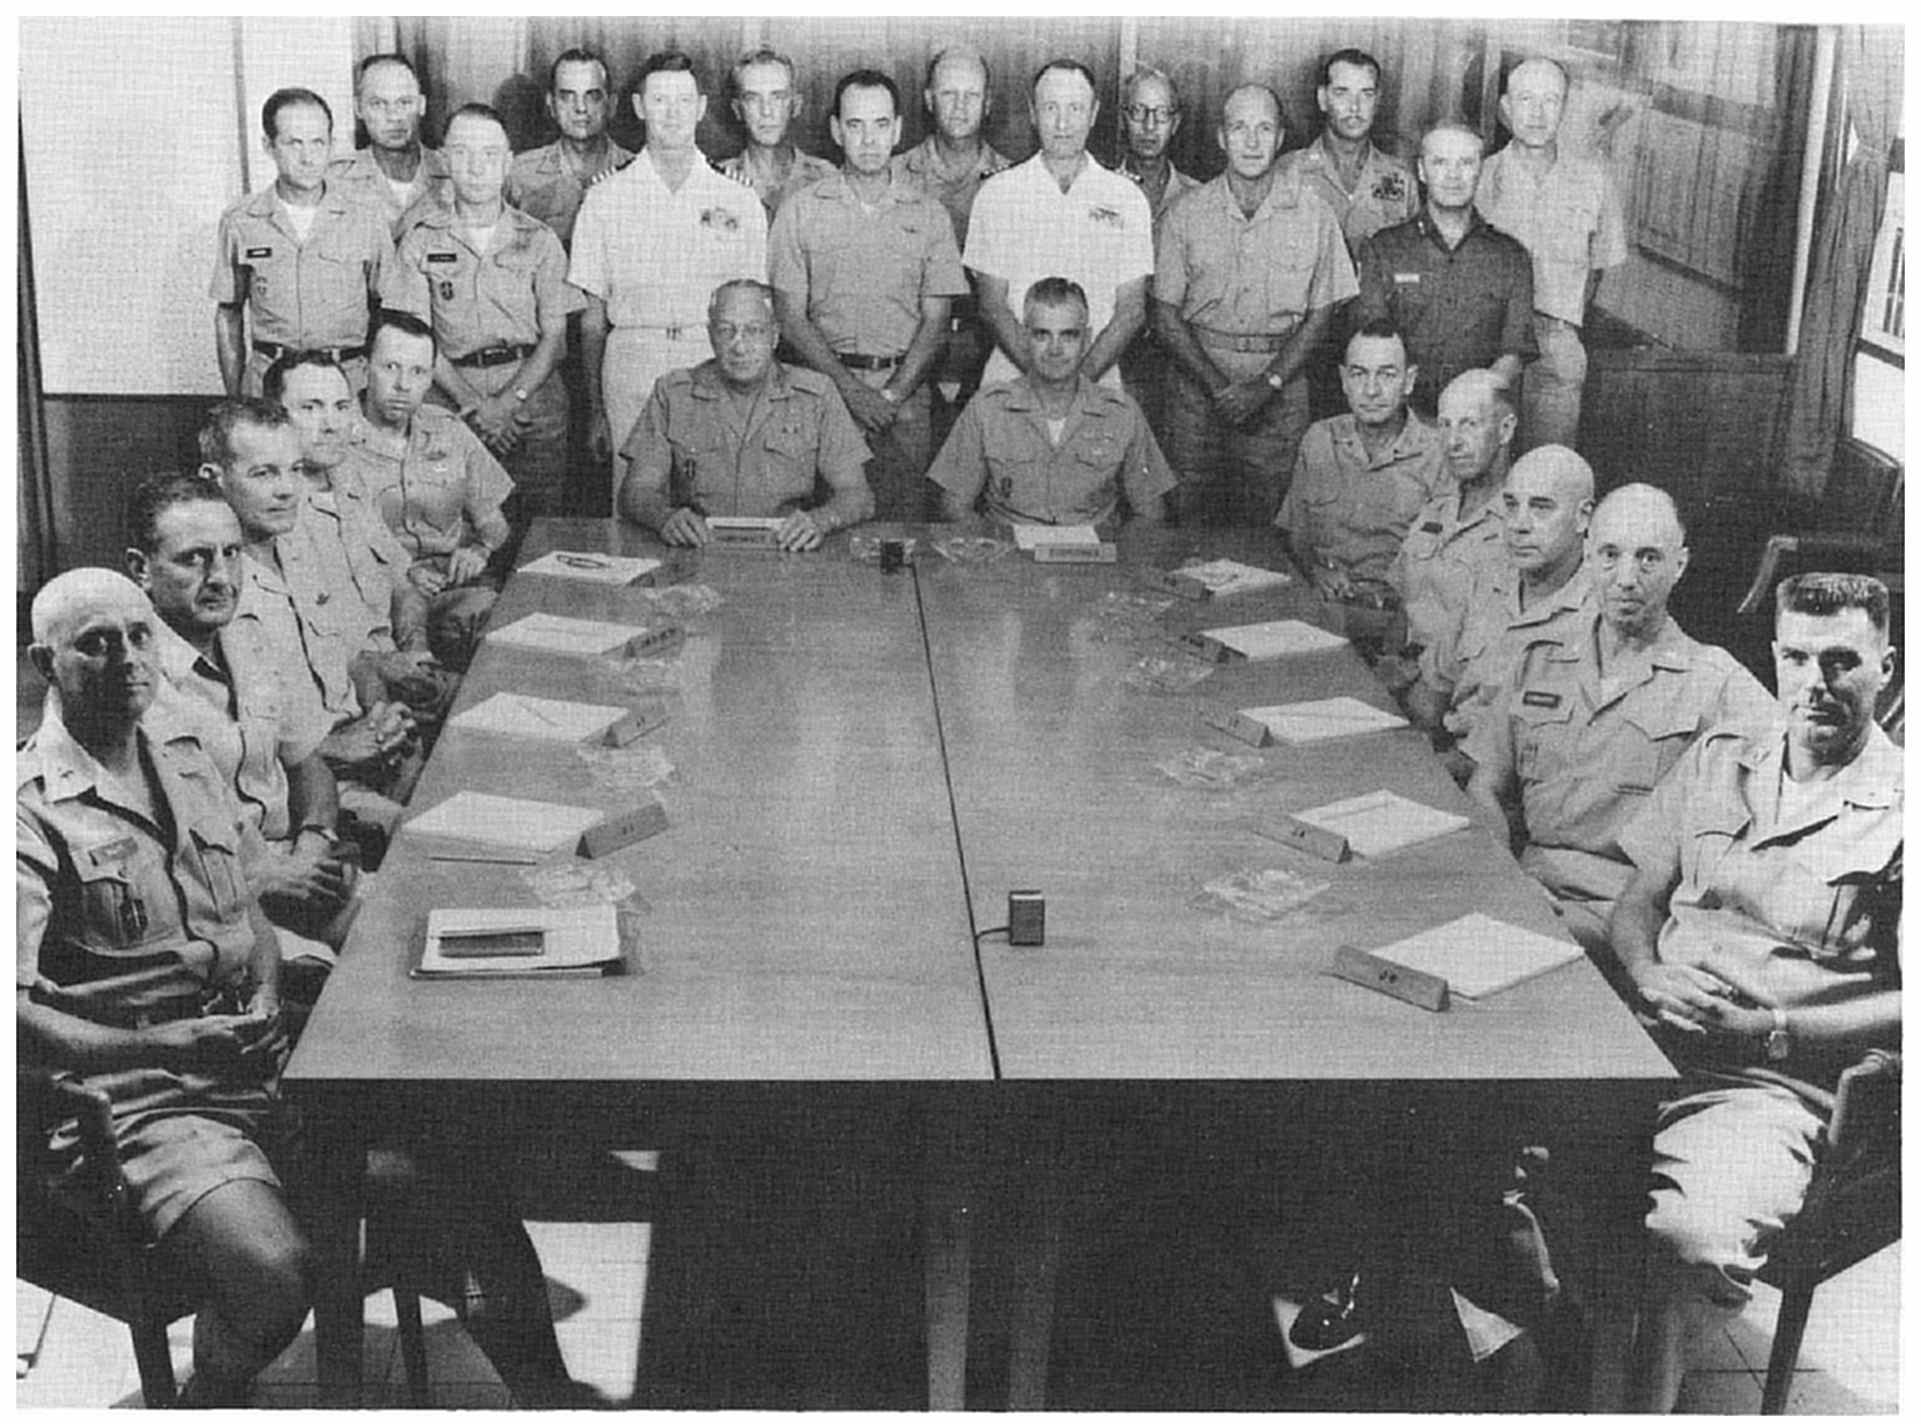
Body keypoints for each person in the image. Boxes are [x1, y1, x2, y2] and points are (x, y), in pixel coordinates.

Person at [17, 572, 590, 1410]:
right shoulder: (28, 811)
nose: (128, 659)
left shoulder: (183, 758)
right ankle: (211, 1395)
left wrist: (262, 987)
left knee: (461, 1175)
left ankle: (552, 1402)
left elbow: (244, 909)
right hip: (145, 1099)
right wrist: (161, 1044)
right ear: (46, 663)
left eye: (139, 636)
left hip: (260, 1050)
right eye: (95, 644)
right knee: (274, 1273)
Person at [1611, 572, 1900, 1413]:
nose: (1817, 683)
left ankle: (1638, 1403)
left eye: (1842, 661)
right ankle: (1570, 1357)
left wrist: (1766, 1025)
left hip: (1768, 1086)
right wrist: (1645, 971)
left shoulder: (1905, 809)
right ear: (1773, 658)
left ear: (1885, 668)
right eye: (1798, 659)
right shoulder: (1720, 756)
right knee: (1474, 1145)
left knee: (1691, 1237)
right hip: (1642, 1039)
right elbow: (1636, 902)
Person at [1465, 484, 1773, 956]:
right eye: (1610, 555)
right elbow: (1485, 784)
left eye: (1648, 558)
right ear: (1588, 555)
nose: (1626, 578)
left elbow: (1800, 774)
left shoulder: (1715, 682)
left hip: (1626, 916)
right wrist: (1502, 875)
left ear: (1679, 566)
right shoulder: (1539, 659)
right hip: (1524, 884)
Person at [124, 473, 355, 985]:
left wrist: (314, 840)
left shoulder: (250, 636)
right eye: (194, 559)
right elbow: (160, 855)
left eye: (231, 554)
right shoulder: (134, 681)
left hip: (298, 865)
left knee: (407, 921)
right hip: (221, 906)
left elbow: (307, 761)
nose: (221, 576)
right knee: (343, 985)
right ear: (141, 569)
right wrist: (262, 874)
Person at [199, 399, 420, 826]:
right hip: (309, 787)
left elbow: (355, 657)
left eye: (295, 469)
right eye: (264, 473)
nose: (287, 489)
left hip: (371, 747)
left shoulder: (301, 545)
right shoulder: (215, 592)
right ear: (214, 480)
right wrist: (338, 748)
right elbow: (236, 749)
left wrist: (380, 715)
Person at [570, 50, 770, 503]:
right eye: (660, 100)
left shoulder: (737, 198)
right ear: (639, 107)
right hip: (632, 366)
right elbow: (592, 320)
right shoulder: (604, 198)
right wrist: (596, 410)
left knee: (713, 502)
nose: (672, 113)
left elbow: (756, 311)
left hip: (712, 361)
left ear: (701, 107)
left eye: (683, 101)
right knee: (635, 503)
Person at [770, 69, 968, 522]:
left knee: (903, 532)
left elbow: (937, 321)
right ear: (837, 130)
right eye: (855, 125)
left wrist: (892, 396)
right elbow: (789, 316)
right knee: (824, 528)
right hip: (822, 395)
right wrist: (850, 392)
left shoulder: (930, 215)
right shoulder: (800, 210)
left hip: (906, 401)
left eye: (880, 124)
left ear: (897, 129)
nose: (869, 139)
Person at [1155, 84, 1357, 525]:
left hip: (1281, 391)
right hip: (1196, 389)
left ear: (1280, 137)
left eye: (1264, 129)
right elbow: (1164, 314)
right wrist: (1218, 387)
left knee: (1276, 525)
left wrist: (1268, 384)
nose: (1251, 141)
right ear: (1221, 137)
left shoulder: (1314, 213)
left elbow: (1322, 314)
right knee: (1184, 521)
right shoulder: (1185, 213)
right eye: (1239, 128)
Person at [387, 102, 581, 520]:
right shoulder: (420, 241)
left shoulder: (540, 240)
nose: (476, 168)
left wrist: (506, 405)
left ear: (508, 162)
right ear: (444, 159)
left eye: (490, 154)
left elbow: (556, 340)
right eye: (463, 153)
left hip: (531, 404)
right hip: (450, 405)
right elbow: (415, 339)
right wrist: (474, 406)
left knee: (538, 532)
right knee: (454, 532)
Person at [264, 351, 453, 721]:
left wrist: (416, 649)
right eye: (310, 408)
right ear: (275, 418)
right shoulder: (274, 513)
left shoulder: (347, 478)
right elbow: (301, 650)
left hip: (400, 667)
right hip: (345, 697)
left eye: (340, 407)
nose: (331, 424)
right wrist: (382, 671)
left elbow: (403, 584)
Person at [619, 279, 872, 550]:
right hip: (696, 550)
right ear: (710, 335)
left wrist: (821, 521)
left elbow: (858, 495)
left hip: (788, 552)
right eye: (726, 330)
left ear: (775, 335)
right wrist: (665, 518)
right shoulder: (673, 394)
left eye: (754, 330)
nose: (739, 346)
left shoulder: (816, 395)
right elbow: (636, 492)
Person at [963, 59, 1154, 393]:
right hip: (1012, 380)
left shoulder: (1127, 198)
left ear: (1093, 113)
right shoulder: (997, 193)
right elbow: (992, 305)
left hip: (1098, 382)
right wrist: (1044, 379)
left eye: (1075, 108)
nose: (1063, 123)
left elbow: (1131, 311)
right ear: (1033, 113)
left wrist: (1078, 384)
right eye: (1051, 107)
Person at [337, 311, 514, 669]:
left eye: (417, 372)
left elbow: (495, 524)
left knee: (501, 626)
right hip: (373, 596)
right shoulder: (335, 438)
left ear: (431, 378)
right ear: (364, 368)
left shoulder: (449, 430)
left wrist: (479, 550)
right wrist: (402, 573)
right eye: (391, 367)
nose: (403, 385)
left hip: (451, 588)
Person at [929, 277, 1173, 530]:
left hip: (1093, 550)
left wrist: (1115, 551)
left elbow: (1151, 514)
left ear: (1087, 339)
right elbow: (954, 507)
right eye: (1042, 335)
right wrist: (996, 547)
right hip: (1010, 547)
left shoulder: (1121, 414)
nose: (1055, 349)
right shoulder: (987, 409)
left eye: (1069, 335)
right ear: (1025, 338)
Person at [1476, 59, 1628, 450]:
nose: (1538, 113)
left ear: (1564, 107)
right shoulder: (1479, 177)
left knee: (1550, 466)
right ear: (1506, 107)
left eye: (1551, 100)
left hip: (1558, 344)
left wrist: (1562, 326)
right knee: (1486, 459)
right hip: (1489, 341)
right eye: (1526, 99)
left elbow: (1600, 266)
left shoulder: (1594, 181)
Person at [1404, 444, 1593, 750]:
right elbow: (1432, 687)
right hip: (1444, 752)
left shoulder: (1600, 615)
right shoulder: (1490, 577)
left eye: (1541, 508)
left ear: (1582, 517)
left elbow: (1537, 758)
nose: (1518, 525)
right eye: (1511, 505)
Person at [210, 88, 391, 398]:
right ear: (269, 146)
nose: (308, 158)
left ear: (331, 144)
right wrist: (235, 399)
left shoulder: (365, 218)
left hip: (346, 386)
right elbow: (228, 314)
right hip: (270, 387)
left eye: (318, 143)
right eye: (294, 143)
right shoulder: (241, 221)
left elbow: (391, 310)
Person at [1354, 122, 1536, 417]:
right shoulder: (1383, 249)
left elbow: (1514, 352)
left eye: (1466, 162)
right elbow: (1374, 345)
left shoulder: (1512, 257)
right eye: (1440, 162)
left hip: (1477, 417)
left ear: (1480, 170)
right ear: (1422, 170)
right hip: (1402, 418)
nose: (1453, 175)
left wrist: (1468, 405)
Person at [1276, 321, 1443, 633]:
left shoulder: (1438, 454)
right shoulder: (1319, 440)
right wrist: (1316, 571)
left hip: (1402, 624)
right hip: (1322, 612)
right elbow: (1296, 538)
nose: (1371, 390)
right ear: (1343, 380)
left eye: (1387, 375)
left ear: (1409, 381)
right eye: (1359, 374)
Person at [891, 45, 1012, 418]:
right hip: (908, 354)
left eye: (971, 95)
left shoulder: (1013, 183)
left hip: (990, 355)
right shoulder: (893, 175)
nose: (960, 107)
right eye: (948, 94)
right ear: (929, 99)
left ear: (987, 103)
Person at [1387, 369, 1519, 681]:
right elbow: (1403, 608)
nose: (1453, 442)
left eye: (1470, 424)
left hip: (1453, 689)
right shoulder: (1437, 510)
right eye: (1445, 425)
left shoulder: (1521, 525)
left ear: (1505, 430)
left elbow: (1492, 654)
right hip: (1402, 674)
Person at [1114, 66, 1202, 448]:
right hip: (1115, 360)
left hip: (1180, 367)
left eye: (1161, 114)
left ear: (1176, 122)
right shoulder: (1099, 192)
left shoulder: (1199, 200)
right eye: (1139, 112)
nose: (1150, 126)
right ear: (1124, 117)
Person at [1279, 48, 1421, 257]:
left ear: (1377, 101)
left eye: (1366, 94)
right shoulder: (1287, 173)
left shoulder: (1401, 178)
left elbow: (1413, 261)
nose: (1355, 107)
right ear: (1323, 99)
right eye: (1342, 93)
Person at [505, 47, 633, 249]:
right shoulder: (520, 174)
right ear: (551, 104)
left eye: (592, 96)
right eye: (567, 96)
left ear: (611, 104)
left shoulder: (637, 173)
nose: (580, 108)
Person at [328, 53, 451, 236]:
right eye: (378, 104)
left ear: (421, 105)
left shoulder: (453, 173)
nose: (394, 116)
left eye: (404, 102)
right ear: (358, 108)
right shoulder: (334, 180)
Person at [719, 48, 837, 220]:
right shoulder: (717, 183)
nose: (766, 111)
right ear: (738, 109)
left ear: (796, 105)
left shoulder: (827, 179)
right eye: (752, 98)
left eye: (778, 97)